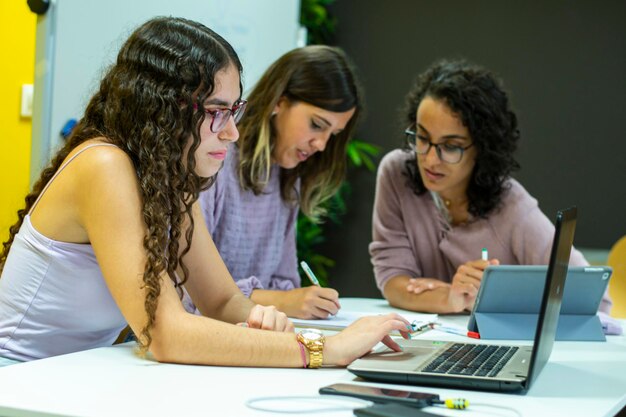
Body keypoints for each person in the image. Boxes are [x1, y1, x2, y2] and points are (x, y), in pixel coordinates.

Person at [0, 17, 412, 367]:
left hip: (70, 378)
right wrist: (326, 348)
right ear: (161, 106)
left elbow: (221, 302)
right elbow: (166, 334)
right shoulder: (104, 165)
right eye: (216, 112)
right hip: (17, 381)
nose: (231, 132)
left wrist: (266, 323)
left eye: (234, 111)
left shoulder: (171, 180)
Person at [369, 59, 612, 314]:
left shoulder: (512, 206)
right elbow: (393, 278)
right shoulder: (396, 173)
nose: (429, 159)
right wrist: (449, 297)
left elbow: (593, 298)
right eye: (422, 138)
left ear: (483, 148)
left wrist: (492, 297)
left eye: (450, 146)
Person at [191, 45, 361, 319]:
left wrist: (296, 300)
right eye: (317, 124)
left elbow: (284, 283)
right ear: (279, 101)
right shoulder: (214, 158)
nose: (321, 144)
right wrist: (282, 301)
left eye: (334, 134)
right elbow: (190, 292)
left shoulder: (287, 176)